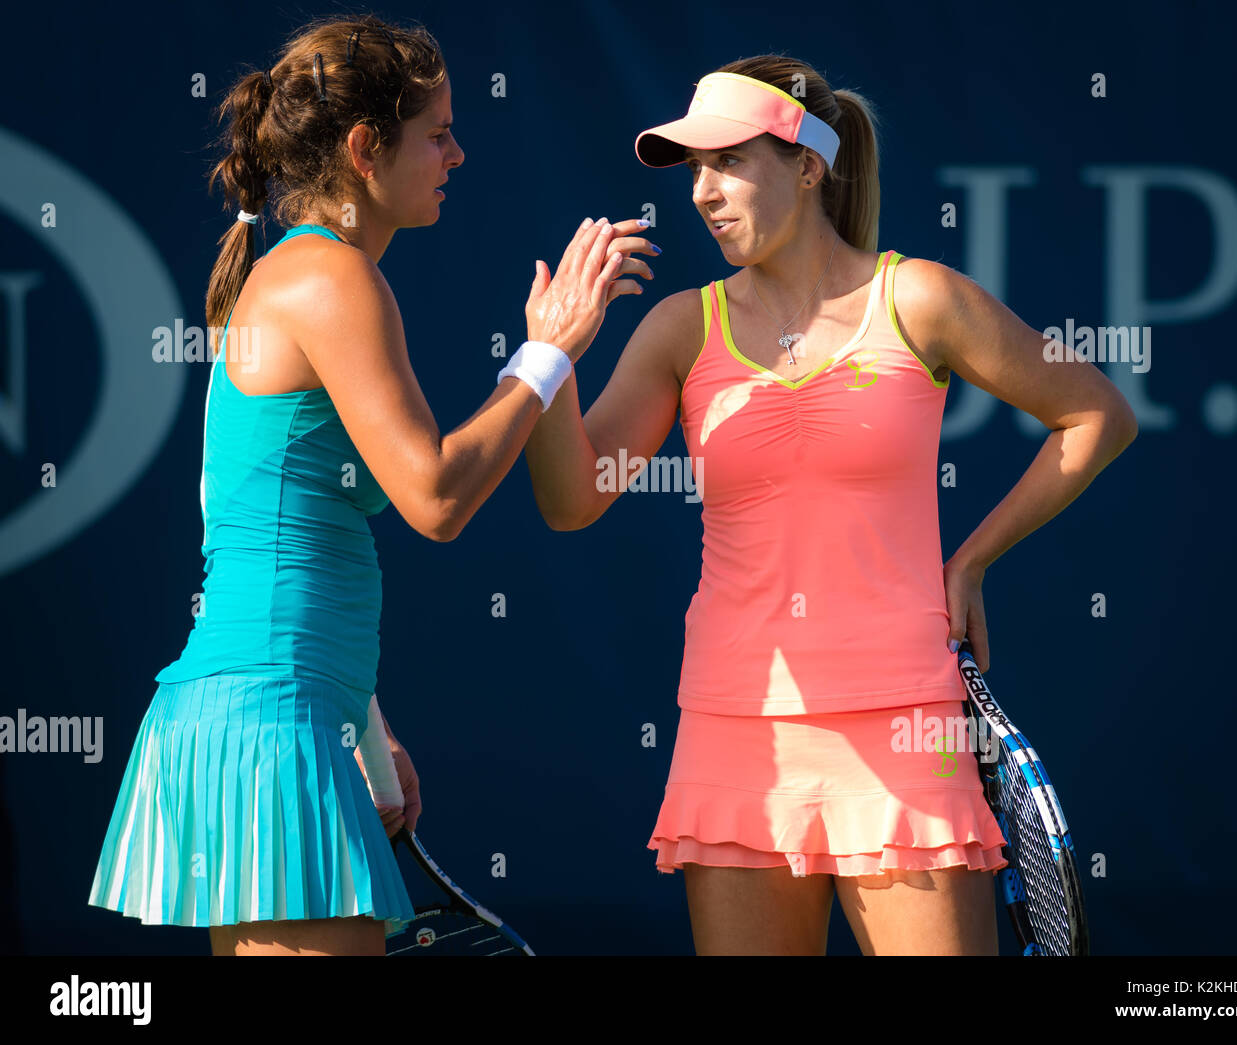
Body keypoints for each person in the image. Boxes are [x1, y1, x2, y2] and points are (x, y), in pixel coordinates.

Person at [521, 56, 1137, 955]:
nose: (702, 192)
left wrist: (969, 560)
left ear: (809, 164)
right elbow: (572, 499)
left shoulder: (920, 298)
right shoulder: (681, 328)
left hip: (905, 725)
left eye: (728, 161)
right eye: (693, 170)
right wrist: (551, 359)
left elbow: (1096, 415)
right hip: (735, 736)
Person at [87, 14, 653, 956]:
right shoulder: (330, 278)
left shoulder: (304, 274)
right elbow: (435, 498)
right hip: (269, 721)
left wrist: (362, 719)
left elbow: (276, 526)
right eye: (438, 132)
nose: (457, 154)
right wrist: (549, 353)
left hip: (279, 714)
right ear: (363, 148)